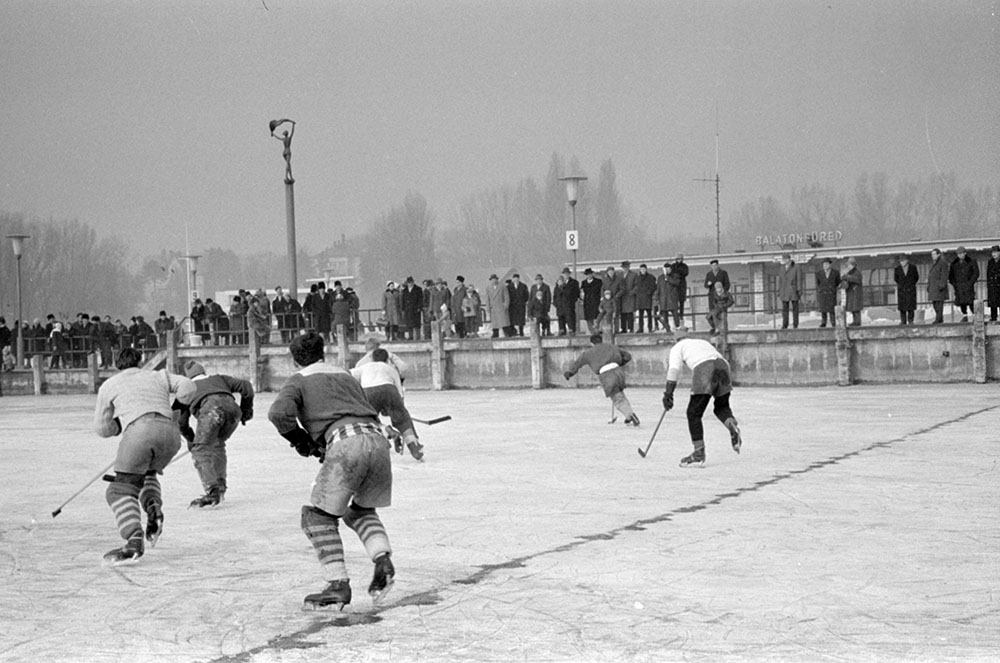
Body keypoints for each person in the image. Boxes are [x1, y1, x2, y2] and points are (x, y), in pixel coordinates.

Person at [268, 332, 396, 610]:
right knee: (360, 511)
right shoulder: (346, 376)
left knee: (317, 517)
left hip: (347, 443)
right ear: (323, 354)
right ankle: (382, 558)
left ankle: (337, 584)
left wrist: (302, 441)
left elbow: (278, 414)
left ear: (294, 360)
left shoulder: (298, 380)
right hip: (377, 440)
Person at [93, 347, 196, 564]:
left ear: (116, 364)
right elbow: (188, 386)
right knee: (148, 474)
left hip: (139, 433)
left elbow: (102, 429)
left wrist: (119, 426)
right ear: (139, 361)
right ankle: (154, 509)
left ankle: (133, 540)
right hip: (170, 433)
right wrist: (175, 409)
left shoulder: (109, 385)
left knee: (120, 489)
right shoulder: (157, 375)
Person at [177, 361, 255, 508]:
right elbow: (246, 386)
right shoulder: (220, 378)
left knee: (200, 451)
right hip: (233, 411)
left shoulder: (186, 388)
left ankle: (212, 490)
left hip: (211, 410)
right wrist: (246, 411)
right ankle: (220, 486)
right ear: (203, 372)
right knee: (217, 443)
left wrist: (191, 439)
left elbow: (180, 421)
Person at [661, 327, 742, 468]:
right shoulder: (701, 342)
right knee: (721, 407)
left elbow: (674, 369)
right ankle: (731, 425)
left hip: (705, 368)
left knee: (693, 413)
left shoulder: (677, 347)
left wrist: (668, 393)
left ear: (676, 339)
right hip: (723, 366)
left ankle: (698, 452)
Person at [351, 348, 423, 461]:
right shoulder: (391, 369)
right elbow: (400, 392)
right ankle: (414, 447)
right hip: (390, 390)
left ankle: (388, 431)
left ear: (372, 358)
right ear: (387, 359)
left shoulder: (363, 367)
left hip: (368, 391)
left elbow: (349, 375)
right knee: (403, 421)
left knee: (369, 420)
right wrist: (399, 410)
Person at [563, 333, 639, 427]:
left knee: (617, 399)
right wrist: (620, 363)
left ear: (591, 343)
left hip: (606, 375)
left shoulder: (588, 353)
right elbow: (627, 356)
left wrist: (569, 373)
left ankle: (631, 416)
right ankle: (628, 416)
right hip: (618, 371)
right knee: (620, 395)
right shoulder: (611, 346)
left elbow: (577, 364)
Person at [949, 246, 979, 322]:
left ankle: (974, 315)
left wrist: (970, 282)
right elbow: (951, 275)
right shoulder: (954, 264)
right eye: (958, 254)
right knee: (961, 301)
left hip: (968, 285)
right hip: (958, 286)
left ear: (965, 253)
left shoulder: (971, 262)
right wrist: (954, 283)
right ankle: (964, 315)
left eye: (961, 253)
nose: (960, 255)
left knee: (970, 300)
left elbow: (976, 273)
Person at [777, 253, 803, 329]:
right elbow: (780, 280)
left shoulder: (796, 267)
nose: (785, 261)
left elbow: (799, 279)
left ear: (789, 259)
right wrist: (779, 291)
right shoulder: (782, 268)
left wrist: (799, 290)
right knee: (785, 309)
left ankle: (795, 324)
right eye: (784, 259)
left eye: (786, 259)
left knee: (795, 308)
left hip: (793, 290)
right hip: (784, 291)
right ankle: (785, 324)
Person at [893, 255, 919, 325]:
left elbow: (916, 277)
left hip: (910, 289)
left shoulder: (913, 268)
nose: (902, 262)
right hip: (902, 290)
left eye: (903, 261)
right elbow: (896, 279)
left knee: (911, 307)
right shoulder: (897, 269)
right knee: (902, 307)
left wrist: (911, 284)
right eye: (900, 261)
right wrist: (902, 285)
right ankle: (903, 321)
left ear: (907, 261)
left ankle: (911, 320)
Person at [815, 258, 841, 327]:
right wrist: (820, 290)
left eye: (826, 264)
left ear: (830, 264)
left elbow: (838, 282)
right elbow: (817, 283)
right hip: (823, 293)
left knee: (832, 310)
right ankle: (824, 322)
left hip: (831, 293)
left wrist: (833, 289)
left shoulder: (835, 273)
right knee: (823, 310)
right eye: (824, 264)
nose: (825, 266)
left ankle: (833, 322)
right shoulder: (819, 273)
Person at [926, 248, 949, 324]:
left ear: (938, 254)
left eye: (934, 254)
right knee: (935, 304)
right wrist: (928, 286)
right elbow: (930, 276)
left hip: (939, 287)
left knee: (939, 304)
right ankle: (939, 318)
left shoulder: (943, 263)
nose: (932, 256)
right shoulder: (933, 264)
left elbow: (944, 275)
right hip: (933, 287)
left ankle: (938, 319)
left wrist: (942, 285)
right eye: (932, 254)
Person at [840, 257, 863, 326]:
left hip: (856, 293)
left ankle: (857, 321)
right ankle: (855, 321)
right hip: (851, 292)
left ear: (853, 265)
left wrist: (847, 277)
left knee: (856, 309)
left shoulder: (857, 272)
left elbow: (856, 279)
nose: (848, 266)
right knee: (853, 309)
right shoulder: (850, 272)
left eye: (850, 265)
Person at [486, 274, 510, 338]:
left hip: (501, 307)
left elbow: (506, 296)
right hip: (493, 307)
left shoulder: (502, 286)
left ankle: (507, 333)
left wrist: (506, 305)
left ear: (497, 279)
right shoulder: (488, 288)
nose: (493, 281)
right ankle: (495, 333)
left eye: (494, 279)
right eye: (492, 279)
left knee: (504, 322)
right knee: (495, 323)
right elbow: (487, 298)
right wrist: (488, 307)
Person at [635, 264, 657, 333]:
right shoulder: (637, 278)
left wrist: (649, 292)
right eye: (641, 269)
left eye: (644, 269)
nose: (643, 271)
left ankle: (650, 328)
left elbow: (654, 286)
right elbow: (636, 287)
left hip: (647, 298)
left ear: (646, 269)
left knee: (649, 314)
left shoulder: (650, 277)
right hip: (640, 298)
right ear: (640, 270)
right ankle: (640, 328)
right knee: (640, 315)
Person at [580, 268, 603, 334]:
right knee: (588, 317)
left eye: (590, 274)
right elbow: (582, 292)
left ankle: (597, 330)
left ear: (592, 274)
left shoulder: (598, 281)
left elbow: (601, 291)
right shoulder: (583, 283)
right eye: (587, 274)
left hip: (596, 301)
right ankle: (591, 331)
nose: (589, 275)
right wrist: (582, 299)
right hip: (587, 302)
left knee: (597, 316)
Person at [618, 261, 637, 334]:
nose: (625, 268)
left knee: (629, 313)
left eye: (626, 267)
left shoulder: (634, 275)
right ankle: (623, 328)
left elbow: (636, 285)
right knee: (622, 314)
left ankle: (630, 328)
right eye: (624, 267)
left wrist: (632, 292)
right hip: (622, 296)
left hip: (630, 296)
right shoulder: (619, 275)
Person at [671, 254, 690, 325]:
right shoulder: (673, 266)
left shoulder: (684, 266)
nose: (679, 260)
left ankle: (681, 316)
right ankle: (675, 316)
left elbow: (685, 273)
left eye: (680, 259)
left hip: (682, 285)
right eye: (678, 259)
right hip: (675, 286)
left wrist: (678, 274)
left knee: (681, 301)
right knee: (675, 301)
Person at [987, 245, 1000, 323]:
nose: (993, 254)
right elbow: (988, 274)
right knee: (993, 302)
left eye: (995, 252)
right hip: (992, 285)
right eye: (992, 252)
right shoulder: (990, 262)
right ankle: (993, 316)